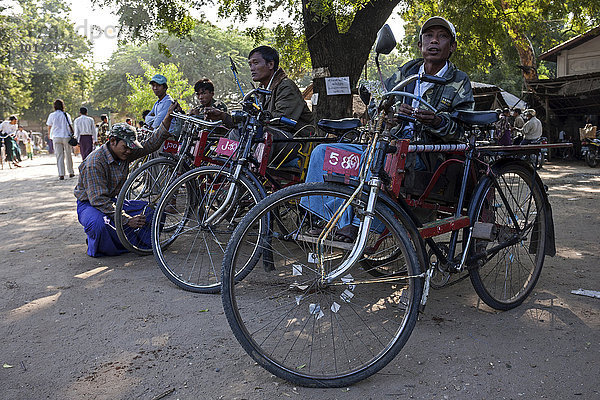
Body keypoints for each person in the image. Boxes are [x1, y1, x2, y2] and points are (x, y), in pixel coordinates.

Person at [302, 16, 474, 240]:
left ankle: (356, 224)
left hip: (428, 155)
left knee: (376, 162)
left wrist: (436, 121)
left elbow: (464, 128)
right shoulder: (407, 72)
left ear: (452, 47)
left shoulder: (459, 80)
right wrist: (388, 116)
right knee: (323, 153)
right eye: (429, 36)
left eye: (442, 37)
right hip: (390, 147)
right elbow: (378, 108)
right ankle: (331, 220)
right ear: (420, 45)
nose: (434, 42)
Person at [74, 101, 181, 257]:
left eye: (131, 147)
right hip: (90, 205)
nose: (129, 151)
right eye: (126, 147)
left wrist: (168, 118)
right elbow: (98, 201)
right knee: (99, 226)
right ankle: (106, 240)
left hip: (114, 203)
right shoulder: (94, 163)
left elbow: (151, 144)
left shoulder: (125, 153)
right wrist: (126, 220)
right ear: (112, 141)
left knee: (155, 212)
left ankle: (131, 242)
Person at [206, 46, 314, 165]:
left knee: (257, 132)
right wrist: (223, 116)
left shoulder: (286, 86)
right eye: (250, 64)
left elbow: (283, 121)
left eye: (256, 63)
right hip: (275, 139)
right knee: (236, 131)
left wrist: (254, 119)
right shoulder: (261, 90)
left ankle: (246, 175)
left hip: (296, 142)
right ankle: (225, 171)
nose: (252, 68)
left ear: (270, 64)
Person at [46, 99, 75, 180]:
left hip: (56, 137)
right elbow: (69, 126)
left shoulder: (52, 115)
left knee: (59, 155)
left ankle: (61, 174)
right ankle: (71, 172)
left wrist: (49, 135)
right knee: (68, 154)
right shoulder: (66, 115)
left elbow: (49, 126)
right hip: (66, 136)